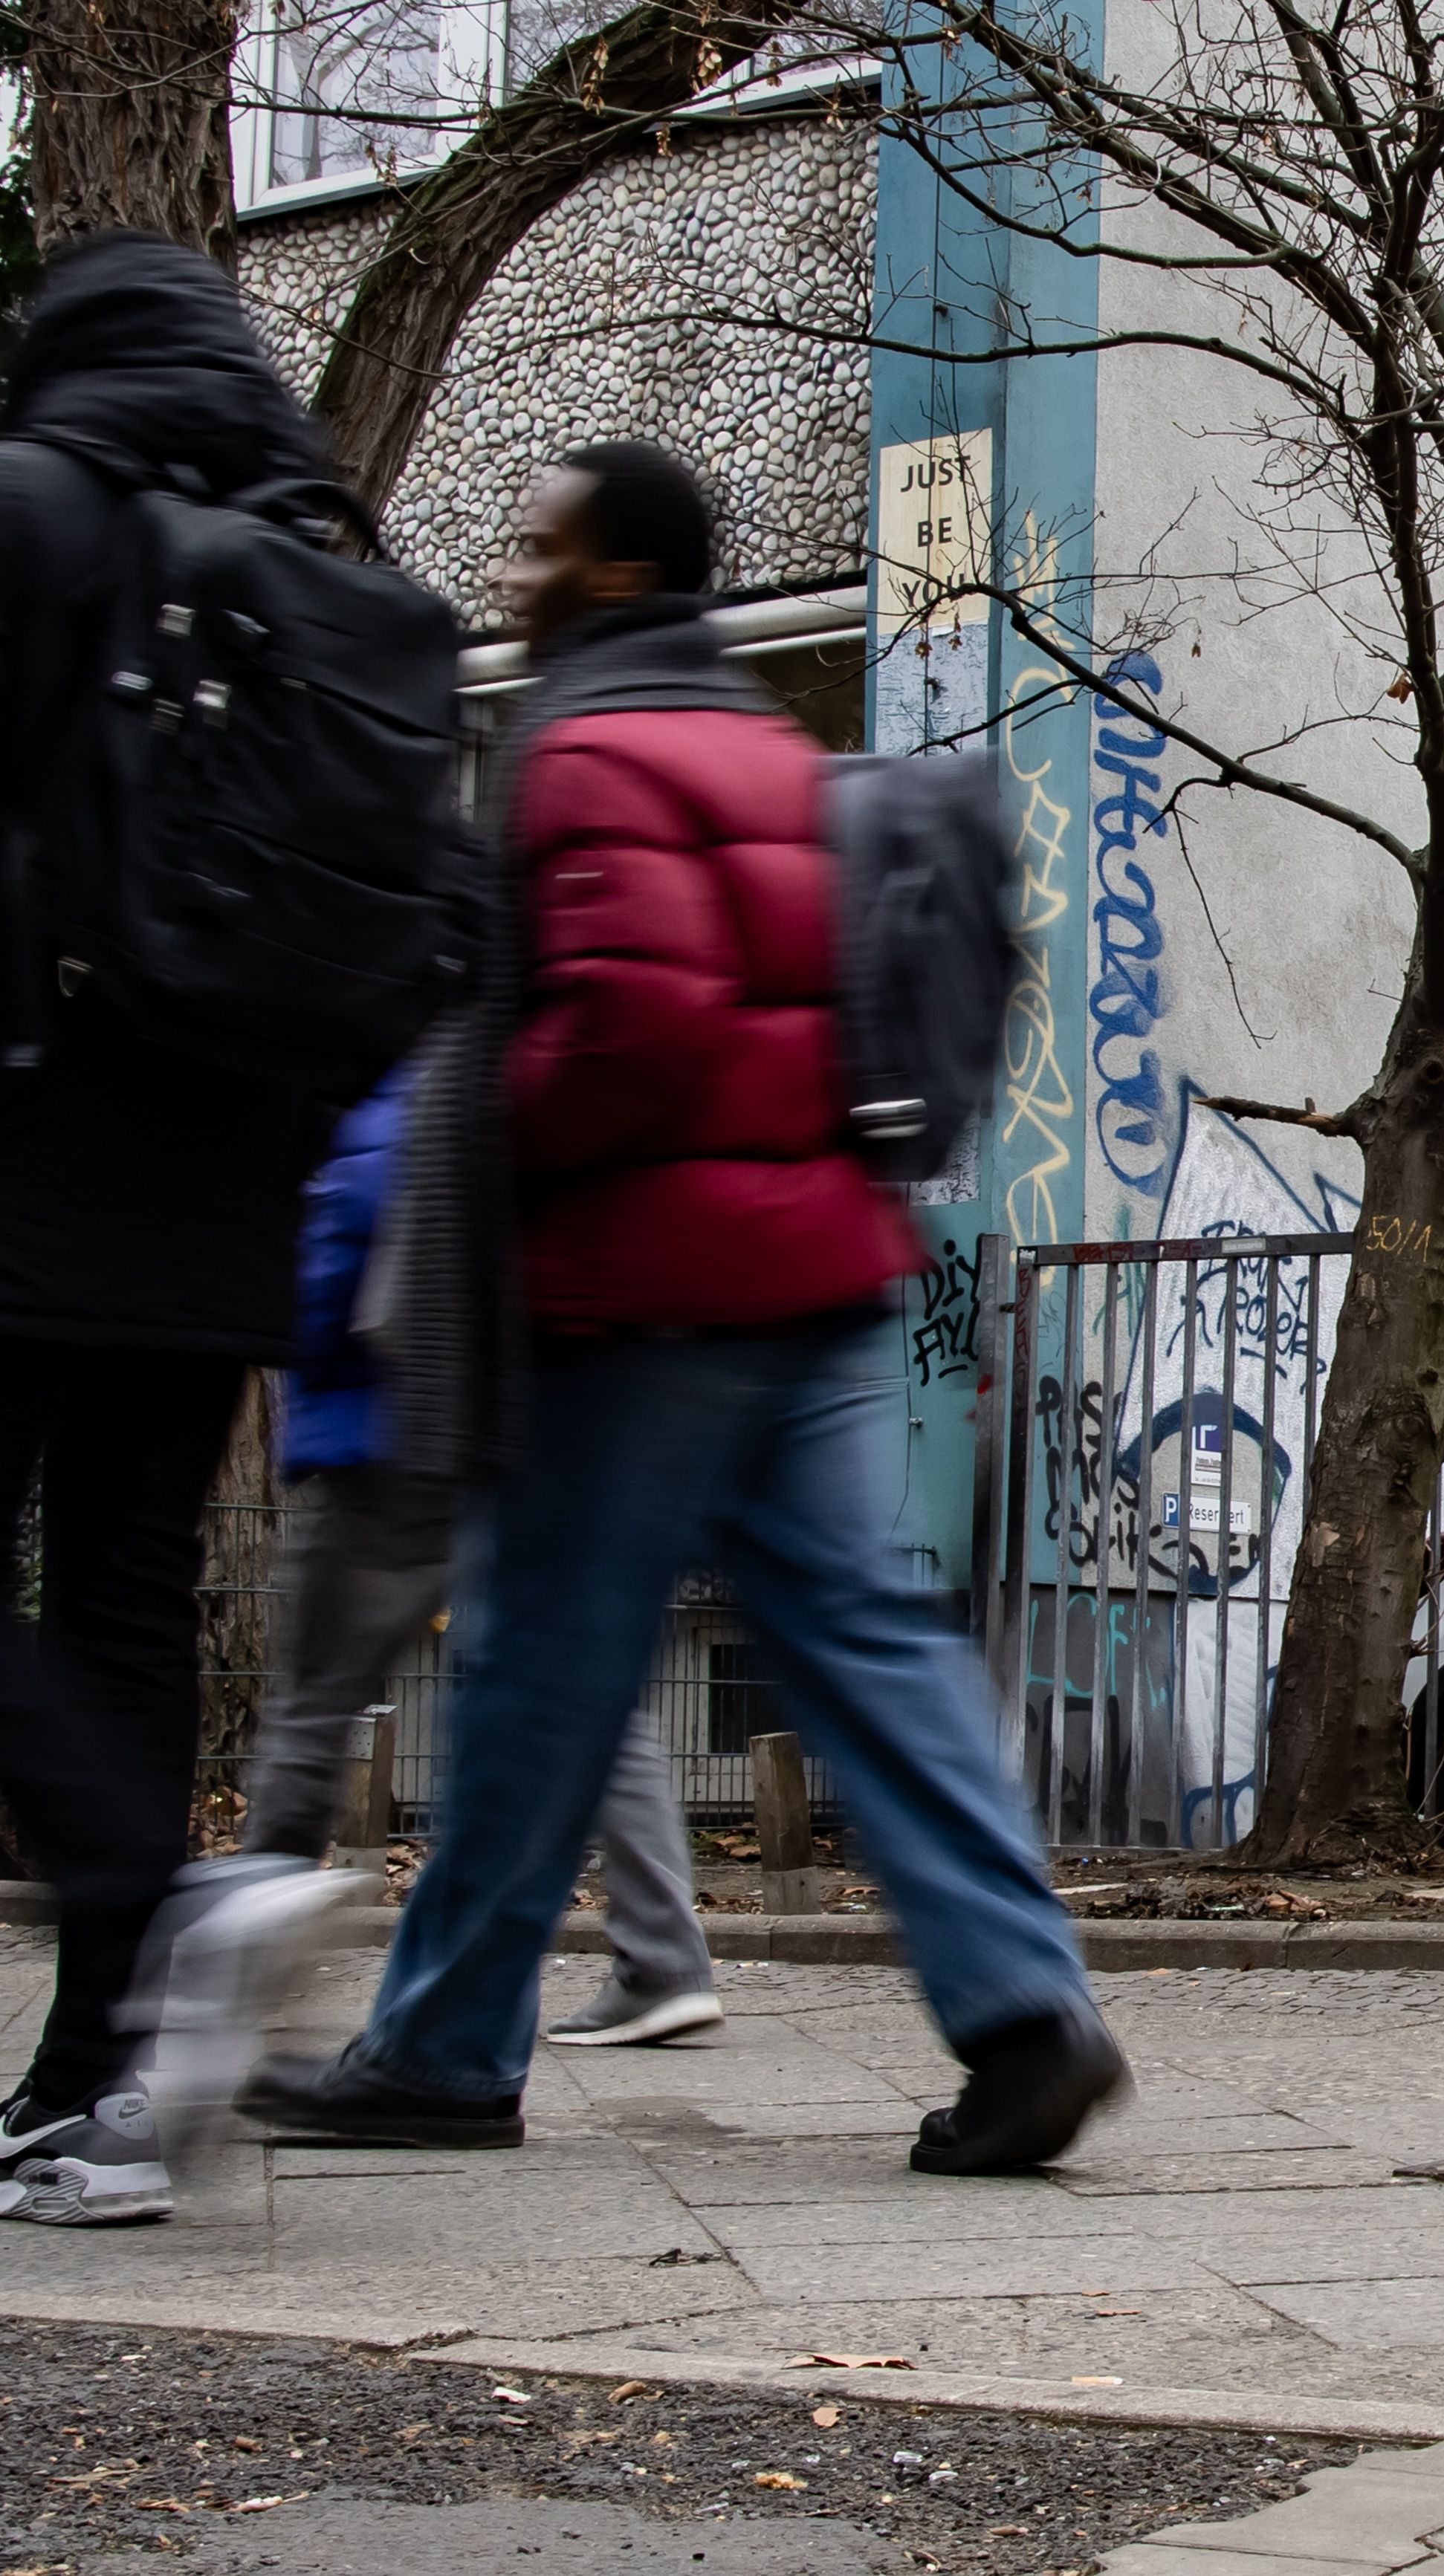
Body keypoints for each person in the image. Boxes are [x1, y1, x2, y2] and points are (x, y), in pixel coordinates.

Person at [244, 444, 1122, 2171]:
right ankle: (1026, 2014)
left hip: (638, 1296)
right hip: (816, 1273)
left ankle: (437, 2048)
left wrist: (475, 1128)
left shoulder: (585, 757)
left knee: (534, 1677)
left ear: (623, 577)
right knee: (872, 1646)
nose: (512, 569)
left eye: (539, 544)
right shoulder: (770, 745)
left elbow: (632, 1031)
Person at [0, 236, 354, 2226]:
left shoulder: (39, 511)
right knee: (125, 1591)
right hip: (230, 1166)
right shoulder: (313, 549)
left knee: (95, 1598)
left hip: (35, 1123)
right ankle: (96, 2095)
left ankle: (159, 1893)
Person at [148, 1068, 723, 2152]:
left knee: (318, 1700)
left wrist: (299, 1358)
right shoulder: (495, 1072)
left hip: (385, 1435)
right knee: (564, 1692)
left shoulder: (389, 1090)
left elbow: (340, 1252)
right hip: (511, 1433)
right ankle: (662, 1955)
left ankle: (265, 1896)